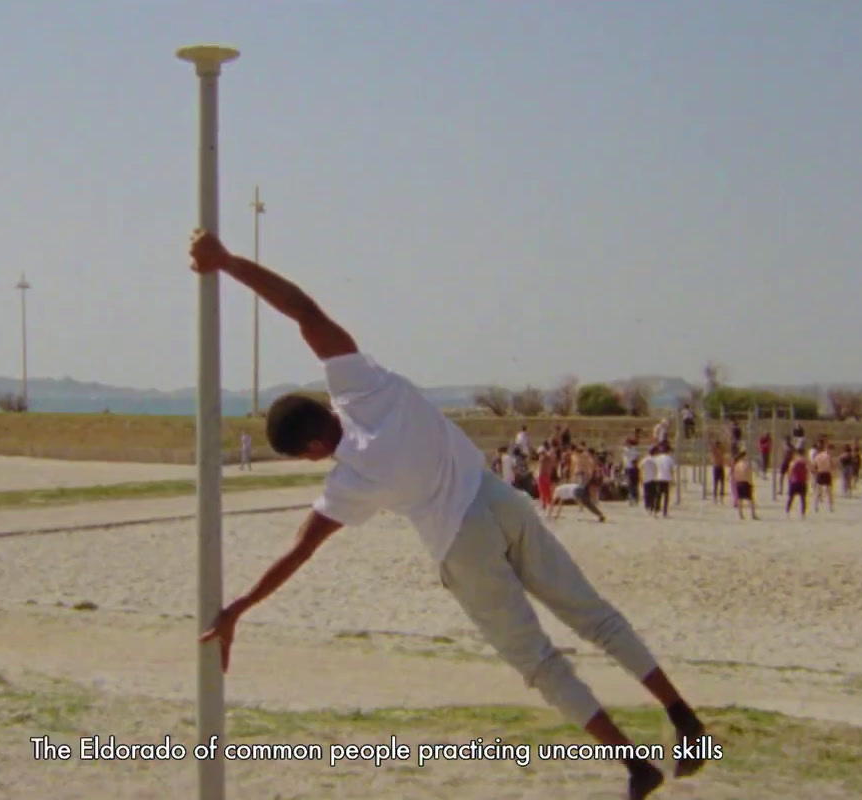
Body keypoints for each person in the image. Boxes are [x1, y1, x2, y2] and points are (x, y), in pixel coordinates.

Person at [188, 231, 705, 796]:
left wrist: (240, 605)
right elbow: (302, 309)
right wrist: (228, 262)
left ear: (311, 449)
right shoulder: (364, 385)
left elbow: (301, 549)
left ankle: (636, 765)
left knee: (539, 662)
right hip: (499, 499)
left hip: (460, 544)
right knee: (596, 618)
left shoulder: (351, 478)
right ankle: (685, 720)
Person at [731, 449, 758, 520]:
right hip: (745, 482)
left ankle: (741, 515)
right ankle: (753, 515)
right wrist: (751, 483)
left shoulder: (736, 465)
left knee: (740, 500)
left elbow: (734, 475)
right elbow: (748, 475)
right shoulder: (746, 464)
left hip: (739, 483)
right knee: (751, 500)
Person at [653, 444, 677, 518]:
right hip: (667, 478)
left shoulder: (657, 458)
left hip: (659, 477)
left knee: (658, 495)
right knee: (666, 496)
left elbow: (655, 467)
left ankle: (656, 511)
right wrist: (673, 479)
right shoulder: (670, 459)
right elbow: (672, 470)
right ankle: (665, 512)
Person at [786, 449, 809, 518]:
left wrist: (789, 481)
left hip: (794, 482)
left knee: (791, 497)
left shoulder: (793, 462)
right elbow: (808, 471)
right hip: (802, 482)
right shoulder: (805, 462)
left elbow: (790, 472)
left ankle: (787, 511)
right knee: (803, 498)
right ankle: (803, 513)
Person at [812, 444, 835, 513]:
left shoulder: (818, 456)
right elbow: (830, 465)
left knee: (818, 490)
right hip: (826, 473)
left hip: (820, 473)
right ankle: (830, 507)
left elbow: (814, 465)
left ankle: (815, 506)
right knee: (829, 491)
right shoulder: (828, 456)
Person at [639, 447, 659, 516]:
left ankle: (647, 506)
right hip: (654, 479)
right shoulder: (655, 460)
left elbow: (640, 468)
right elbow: (657, 469)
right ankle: (652, 507)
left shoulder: (644, 460)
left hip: (646, 478)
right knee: (653, 494)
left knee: (647, 493)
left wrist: (641, 478)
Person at [709, 440, 727, 504]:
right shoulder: (714, 451)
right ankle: (715, 497)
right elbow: (711, 447)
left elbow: (725, 446)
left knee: (722, 483)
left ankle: (721, 496)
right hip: (716, 467)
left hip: (721, 467)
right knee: (716, 483)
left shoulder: (721, 451)